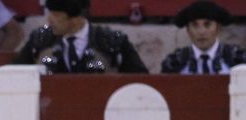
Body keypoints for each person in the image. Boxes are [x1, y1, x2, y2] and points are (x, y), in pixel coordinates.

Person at [14, 0, 148, 72]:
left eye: (56, 15)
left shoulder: (114, 42)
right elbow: (14, 76)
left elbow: (140, 81)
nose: (49, 20)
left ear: (75, 19)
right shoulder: (39, 40)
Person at [160, 2, 245, 73]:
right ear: (188, 31)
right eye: (194, 25)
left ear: (218, 28)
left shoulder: (237, 59)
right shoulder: (174, 62)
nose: (201, 32)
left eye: (207, 25)